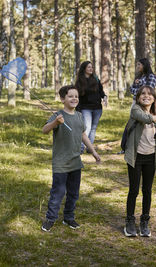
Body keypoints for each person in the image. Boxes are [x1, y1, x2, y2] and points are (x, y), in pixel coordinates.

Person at [41, 85, 101, 232]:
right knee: (58, 192)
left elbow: (83, 135)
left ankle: (68, 217)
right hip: (61, 163)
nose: (74, 98)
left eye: (76, 96)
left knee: (73, 193)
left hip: (75, 162)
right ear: (63, 99)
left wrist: (92, 151)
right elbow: (44, 130)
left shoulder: (80, 116)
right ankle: (50, 218)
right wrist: (55, 123)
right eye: (70, 96)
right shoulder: (58, 115)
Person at [123, 85, 156, 237]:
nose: (146, 96)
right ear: (138, 97)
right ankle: (129, 222)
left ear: (154, 98)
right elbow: (146, 119)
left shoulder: (155, 116)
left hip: (150, 158)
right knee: (133, 190)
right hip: (135, 157)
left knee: (147, 191)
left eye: (149, 94)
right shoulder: (135, 110)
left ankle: (145, 221)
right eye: (143, 94)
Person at [75, 61, 108, 154]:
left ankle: (90, 148)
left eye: (92, 67)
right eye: (89, 67)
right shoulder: (80, 81)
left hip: (97, 107)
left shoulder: (96, 79)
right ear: (84, 68)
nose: (91, 69)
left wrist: (104, 97)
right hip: (86, 108)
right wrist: (78, 108)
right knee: (87, 127)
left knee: (93, 128)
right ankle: (81, 148)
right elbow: (77, 95)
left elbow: (101, 91)